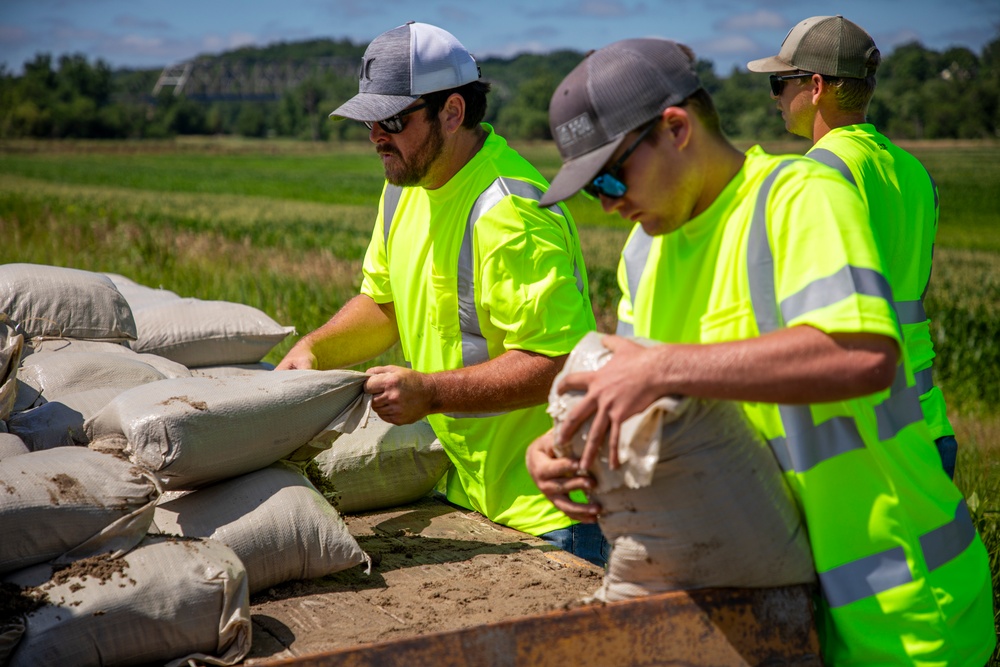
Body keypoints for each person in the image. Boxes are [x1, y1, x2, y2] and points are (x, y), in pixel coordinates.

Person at [526, 37, 994, 665]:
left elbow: (863, 357)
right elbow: (649, 402)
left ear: (675, 128)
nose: (607, 203)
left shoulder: (797, 197)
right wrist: (560, 448)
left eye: (609, 175)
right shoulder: (643, 256)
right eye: (590, 190)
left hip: (903, 616)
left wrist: (663, 365)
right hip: (777, 618)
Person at [275, 22, 606, 566]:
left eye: (393, 121)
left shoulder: (510, 214)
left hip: (550, 515)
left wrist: (429, 392)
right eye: (369, 122)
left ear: (452, 112)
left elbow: (560, 362)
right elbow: (384, 306)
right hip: (470, 497)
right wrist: (316, 350)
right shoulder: (403, 187)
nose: (377, 136)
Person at [746, 14, 958, 479]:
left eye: (779, 82)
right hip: (926, 424)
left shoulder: (817, 174)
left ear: (816, 85)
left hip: (859, 438)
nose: (775, 98)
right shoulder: (915, 172)